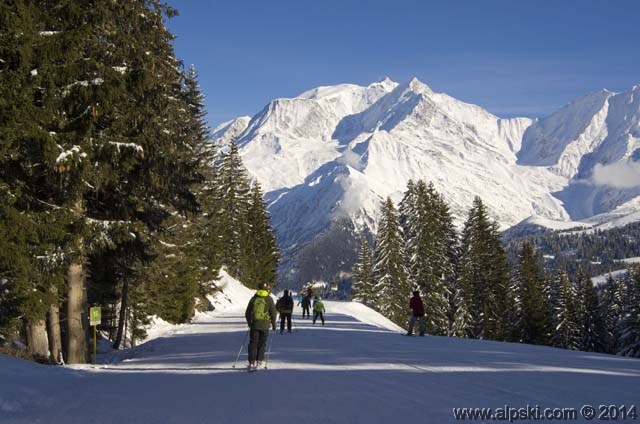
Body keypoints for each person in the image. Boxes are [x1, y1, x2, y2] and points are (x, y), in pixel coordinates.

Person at [245, 283, 277, 370]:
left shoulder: (254, 298)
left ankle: (252, 362)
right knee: (262, 343)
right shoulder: (269, 299)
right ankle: (259, 361)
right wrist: (274, 323)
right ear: (266, 289)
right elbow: (273, 312)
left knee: (253, 343)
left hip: (255, 324)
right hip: (265, 325)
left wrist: (249, 322)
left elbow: (247, 312)